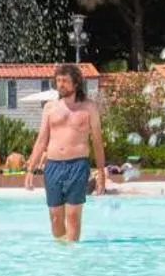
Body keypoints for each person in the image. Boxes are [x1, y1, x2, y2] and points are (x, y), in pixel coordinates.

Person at [23, 64, 107, 242]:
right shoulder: (49, 107)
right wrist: (30, 169)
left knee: (73, 216)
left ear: (76, 83)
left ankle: (72, 253)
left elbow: (97, 142)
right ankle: (62, 250)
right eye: (58, 81)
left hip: (78, 165)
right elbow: (41, 140)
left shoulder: (89, 107)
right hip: (53, 166)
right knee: (55, 218)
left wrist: (101, 172)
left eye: (65, 81)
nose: (60, 84)